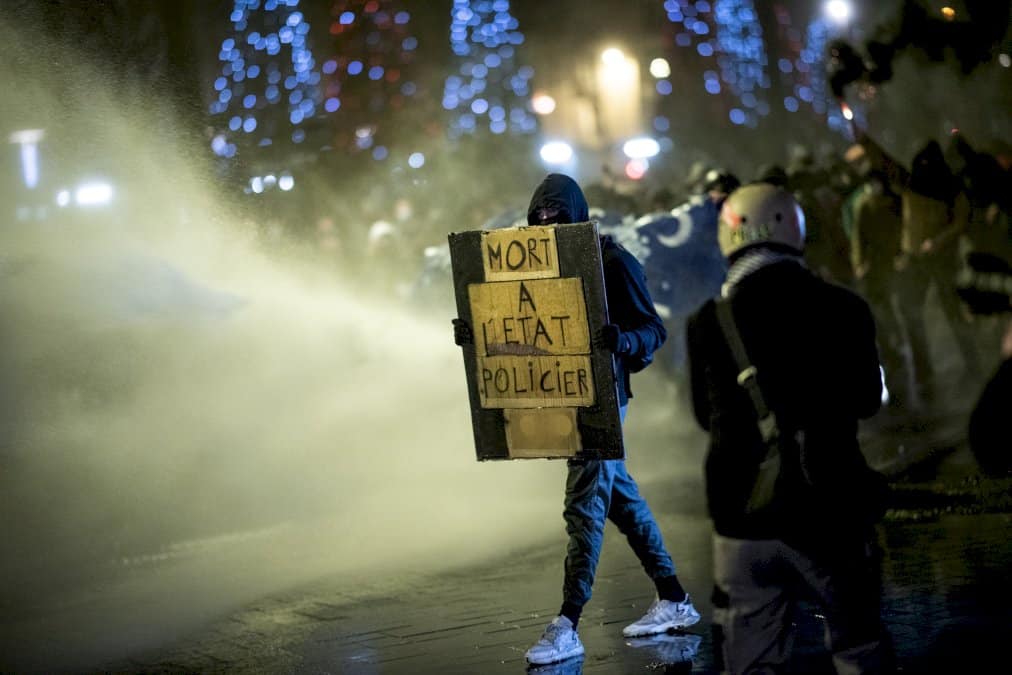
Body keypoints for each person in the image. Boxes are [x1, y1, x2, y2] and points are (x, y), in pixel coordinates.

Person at [454, 173, 700, 666]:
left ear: (577, 215)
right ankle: (674, 597)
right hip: (565, 398)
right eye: (539, 219)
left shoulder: (613, 261)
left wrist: (622, 341)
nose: (547, 225)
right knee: (620, 498)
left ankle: (567, 623)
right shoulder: (536, 268)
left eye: (556, 216)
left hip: (602, 400)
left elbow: (653, 329)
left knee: (584, 505)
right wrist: (477, 333)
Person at [685, 183, 895, 674]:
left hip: (741, 517)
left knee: (751, 662)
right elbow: (868, 401)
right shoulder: (844, 307)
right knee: (859, 648)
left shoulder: (707, 321)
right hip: (828, 507)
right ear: (795, 231)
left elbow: (702, 415)